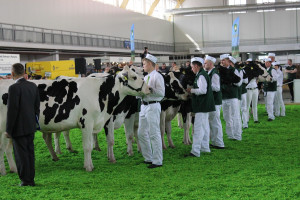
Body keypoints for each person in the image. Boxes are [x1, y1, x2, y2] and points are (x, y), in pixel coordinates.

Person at [5, 63, 40, 186]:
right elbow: (37, 107)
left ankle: (26, 180)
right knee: (30, 153)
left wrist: (8, 129)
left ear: (13, 73)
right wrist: (34, 122)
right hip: (31, 126)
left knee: (21, 155)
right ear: (24, 72)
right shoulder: (33, 86)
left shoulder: (14, 88)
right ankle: (31, 178)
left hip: (18, 128)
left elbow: (12, 110)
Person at [138, 54, 165, 169]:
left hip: (153, 105)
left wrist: (150, 89)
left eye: (144, 64)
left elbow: (161, 93)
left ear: (149, 64)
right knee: (141, 133)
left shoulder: (157, 76)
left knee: (154, 133)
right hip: (144, 106)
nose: (143, 66)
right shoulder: (146, 77)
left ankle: (158, 160)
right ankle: (148, 157)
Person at [186, 57, 215, 157]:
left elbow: (203, 91)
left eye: (192, 67)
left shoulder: (201, 76)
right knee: (205, 127)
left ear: (196, 66)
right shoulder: (202, 74)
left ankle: (195, 151)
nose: (191, 69)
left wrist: (191, 90)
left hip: (202, 105)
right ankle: (205, 148)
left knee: (198, 128)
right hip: (204, 105)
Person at [220, 54, 242, 141]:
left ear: (229, 61)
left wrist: (230, 82)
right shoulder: (220, 71)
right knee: (226, 117)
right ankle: (230, 135)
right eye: (221, 61)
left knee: (235, 115)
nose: (222, 62)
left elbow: (239, 83)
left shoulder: (234, 70)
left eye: (224, 60)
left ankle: (237, 135)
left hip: (233, 96)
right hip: (224, 96)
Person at [204, 55, 224, 149]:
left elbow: (217, 88)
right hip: (213, 101)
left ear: (211, 64)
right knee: (212, 122)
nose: (204, 65)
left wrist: (206, 87)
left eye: (205, 63)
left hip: (215, 101)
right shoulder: (210, 72)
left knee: (215, 122)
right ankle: (215, 141)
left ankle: (219, 143)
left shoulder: (215, 74)